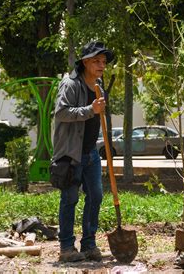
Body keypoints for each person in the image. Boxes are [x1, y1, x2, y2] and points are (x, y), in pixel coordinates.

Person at [52, 41, 114, 262]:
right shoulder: (70, 84)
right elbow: (61, 112)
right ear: (85, 62)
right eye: (96, 61)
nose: (101, 65)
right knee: (69, 199)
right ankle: (67, 247)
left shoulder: (99, 85)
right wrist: (91, 109)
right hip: (70, 153)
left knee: (95, 196)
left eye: (104, 61)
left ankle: (88, 244)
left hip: (90, 152)